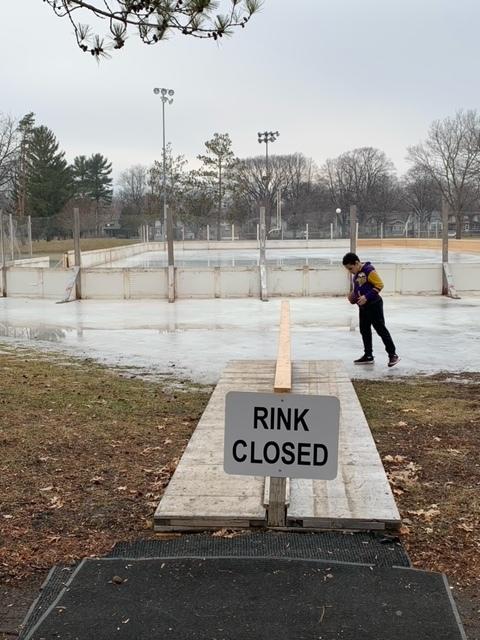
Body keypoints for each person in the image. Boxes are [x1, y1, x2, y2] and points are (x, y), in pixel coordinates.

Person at [342, 252, 399, 367]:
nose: (350, 271)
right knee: (364, 330)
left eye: (350, 268)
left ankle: (393, 355)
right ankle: (368, 355)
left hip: (374, 305)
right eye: (348, 269)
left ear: (357, 263)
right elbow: (360, 288)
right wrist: (352, 295)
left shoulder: (369, 270)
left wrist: (366, 297)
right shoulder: (356, 275)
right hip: (363, 307)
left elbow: (379, 285)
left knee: (380, 329)